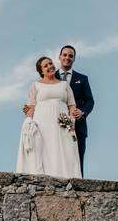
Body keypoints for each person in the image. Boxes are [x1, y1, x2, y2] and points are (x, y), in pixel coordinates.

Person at [23, 45, 94, 175]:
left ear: (74, 59)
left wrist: (81, 112)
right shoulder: (44, 79)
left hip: (74, 125)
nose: (67, 58)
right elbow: (32, 104)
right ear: (60, 57)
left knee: (75, 158)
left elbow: (90, 101)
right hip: (46, 123)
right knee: (47, 153)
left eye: (70, 56)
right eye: (65, 55)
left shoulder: (82, 79)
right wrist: (28, 114)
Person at [15, 56, 82, 178]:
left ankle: (66, 178)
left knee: (65, 149)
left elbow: (72, 105)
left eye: (50, 63)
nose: (49, 66)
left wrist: (71, 119)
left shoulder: (64, 85)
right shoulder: (36, 85)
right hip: (42, 123)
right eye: (45, 66)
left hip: (61, 123)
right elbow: (31, 107)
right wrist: (29, 121)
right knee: (44, 149)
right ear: (41, 71)